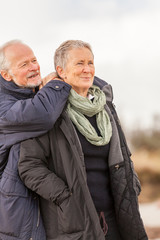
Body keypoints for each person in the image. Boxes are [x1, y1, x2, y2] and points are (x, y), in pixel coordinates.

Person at [19, 40, 148, 240]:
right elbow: (29, 166)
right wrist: (65, 196)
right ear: (61, 71)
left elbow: (123, 154)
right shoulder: (49, 112)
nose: (87, 69)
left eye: (90, 63)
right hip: (75, 221)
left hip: (117, 217)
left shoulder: (105, 108)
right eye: (79, 63)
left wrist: (133, 183)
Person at [0, 40, 71, 240]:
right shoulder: (3, 107)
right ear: (6, 75)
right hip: (17, 216)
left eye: (34, 60)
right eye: (24, 64)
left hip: (42, 204)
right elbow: (42, 115)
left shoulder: (31, 92)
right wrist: (57, 83)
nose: (34, 67)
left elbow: (87, 79)